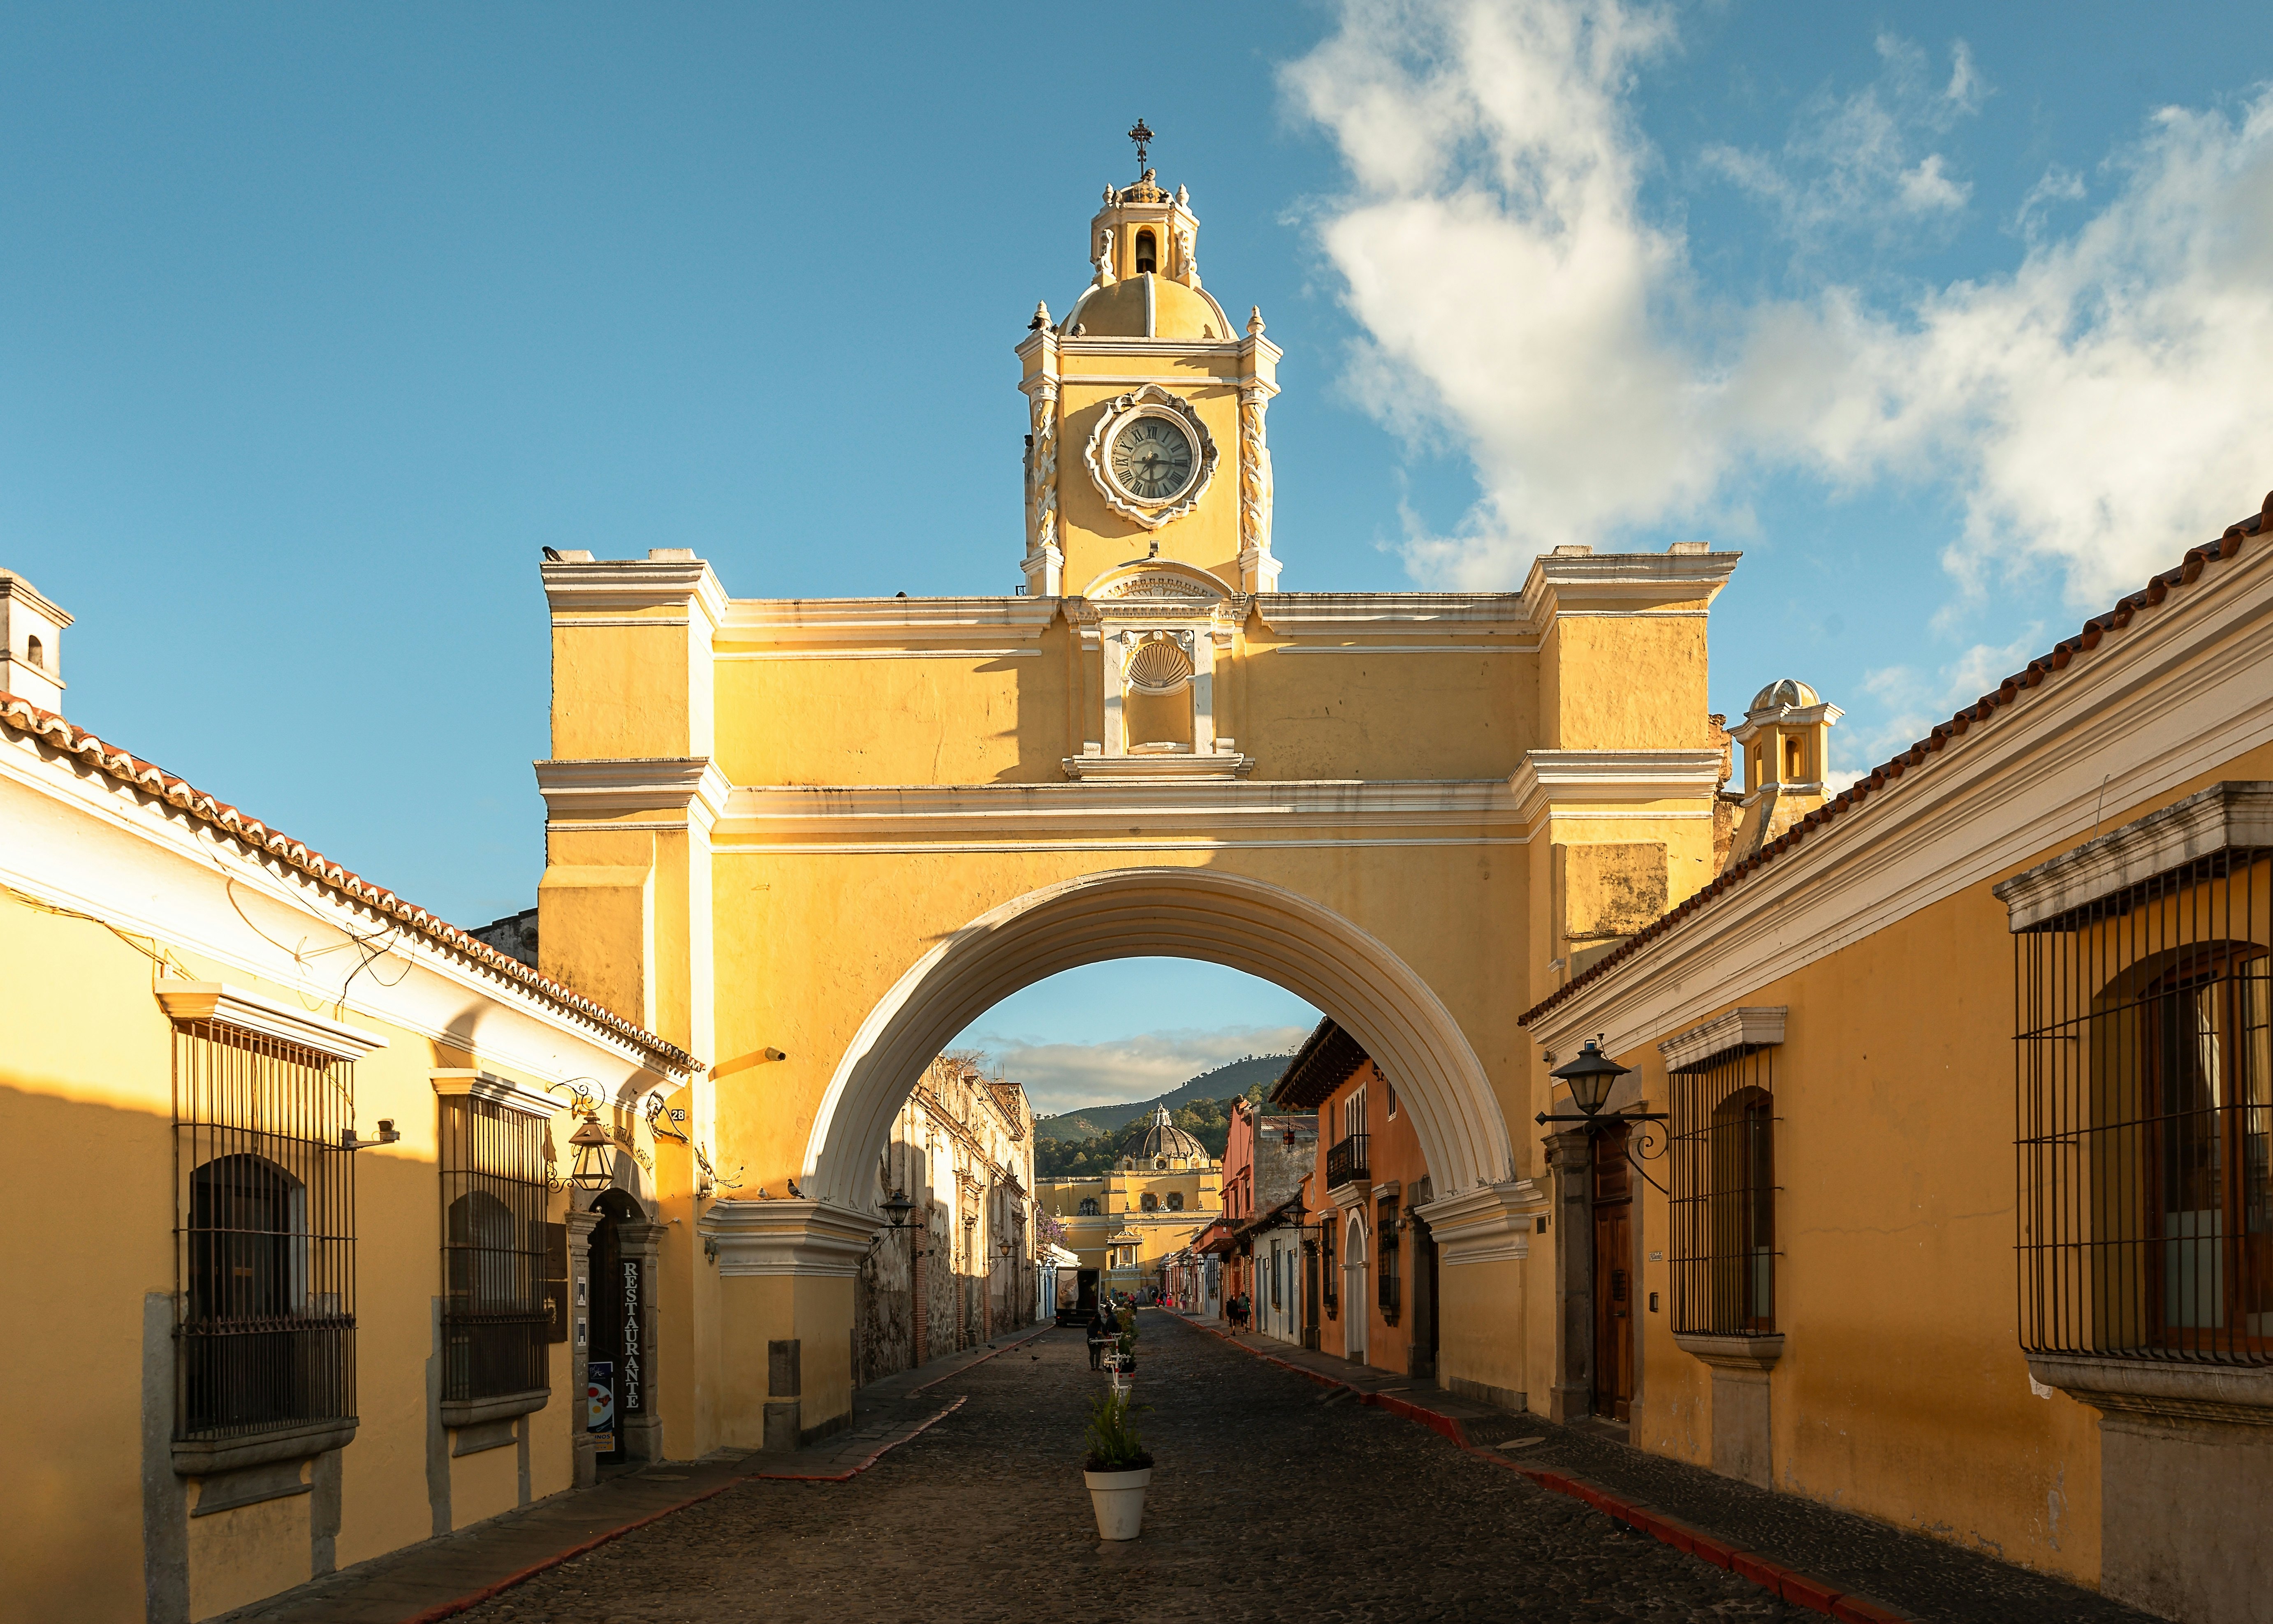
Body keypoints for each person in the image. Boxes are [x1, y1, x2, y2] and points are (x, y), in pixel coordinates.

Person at [1087, 1304, 1112, 1371]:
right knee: (1098, 1354)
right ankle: (1097, 1367)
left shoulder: (1090, 1324)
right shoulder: (1101, 1324)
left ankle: (1092, 1367)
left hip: (1090, 1340)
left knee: (1092, 1354)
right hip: (1099, 1341)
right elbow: (1106, 1332)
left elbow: (1088, 1332)